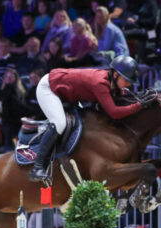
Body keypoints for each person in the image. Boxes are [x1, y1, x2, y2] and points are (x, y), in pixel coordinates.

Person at [28, 55, 153, 183]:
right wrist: (139, 106)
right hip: (49, 88)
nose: (129, 84)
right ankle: (37, 167)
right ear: (115, 75)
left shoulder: (111, 83)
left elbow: (121, 101)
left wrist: (140, 98)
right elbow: (114, 113)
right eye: (126, 80)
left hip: (68, 94)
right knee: (60, 123)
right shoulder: (100, 83)